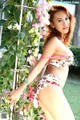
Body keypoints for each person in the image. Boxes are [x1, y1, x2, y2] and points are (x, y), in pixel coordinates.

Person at [9, 5, 76, 120]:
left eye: (66, 18)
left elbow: (44, 67)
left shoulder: (59, 41)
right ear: (53, 24)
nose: (65, 23)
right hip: (50, 86)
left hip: (50, 87)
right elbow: (39, 66)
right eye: (59, 20)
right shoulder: (54, 41)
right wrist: (20, 90)